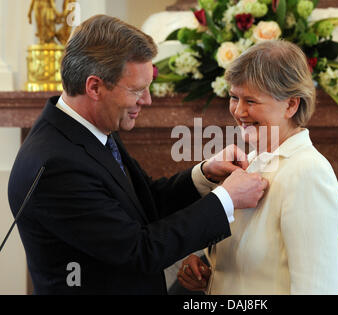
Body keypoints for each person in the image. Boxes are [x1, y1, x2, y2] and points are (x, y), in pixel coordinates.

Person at [7, 15, 268, 295]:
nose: (147, 100)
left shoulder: (92, 128)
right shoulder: (57, 165)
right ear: (94, 87)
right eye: (136, 90)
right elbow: (139, 251)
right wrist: (226, 199)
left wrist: (204, 174)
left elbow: (144, 202)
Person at [177, 40, 338, 295]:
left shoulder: (308, 172)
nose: (239, 111)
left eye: (251, 101)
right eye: (234, 97)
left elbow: (316, 288)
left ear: (291, 105)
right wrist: (208, 271)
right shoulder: (252, 162)